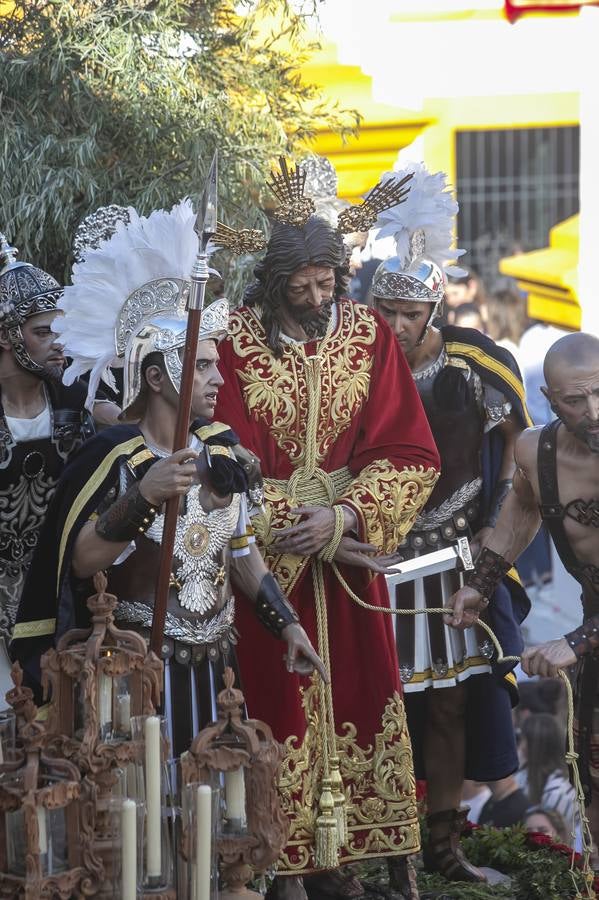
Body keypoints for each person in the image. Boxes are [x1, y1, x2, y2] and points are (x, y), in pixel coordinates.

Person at [10, 200, 325, 758]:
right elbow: (79, 561)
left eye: (213, 363)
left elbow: (243, 551)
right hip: (135, 670)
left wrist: (287, 624)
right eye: (200, 365)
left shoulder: (223, 448)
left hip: (216, 672)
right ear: (156, 376)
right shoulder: (111, 454)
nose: (216, 377)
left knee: (213, 819)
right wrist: (144, 496)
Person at [215, 160, 440, 900]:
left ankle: (344, 864)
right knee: (270, 705)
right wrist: (286, 519)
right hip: (262, 570)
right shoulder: (233, 341)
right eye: (300, 287)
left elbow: (409, 450)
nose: (317, 300)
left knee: (357, 697)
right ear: (273, 283)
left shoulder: (369, 334)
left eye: (327, 283)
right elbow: (218, 451)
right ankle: (275, 865)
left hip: (344, 566)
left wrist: (342, 514)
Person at [370, 162, 531, 885]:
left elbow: (517, 470)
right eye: (385, 313)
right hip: (372, 562)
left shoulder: (477, 363)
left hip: (454, 563)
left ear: (432, 311)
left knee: (447, 708)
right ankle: (379, 849)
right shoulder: (356, 371)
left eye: (409, 315)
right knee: (377, 710)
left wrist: (489, 557)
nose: (396, 327)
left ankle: (442, 847)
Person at [446, 331, 599, 849]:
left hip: (588, 635)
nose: (594, 410)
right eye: (576, 400)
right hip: (593, 621)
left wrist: (575, 642)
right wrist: (480, 585)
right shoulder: (540, 450)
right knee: (593, 782)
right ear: (550, 400)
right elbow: (517, 519)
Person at [0, 233, 119, 691]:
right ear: (7, 336)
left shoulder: (78, 397)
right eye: (43, 331)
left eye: (61, 331)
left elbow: (133, 427)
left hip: (63, 598)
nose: (58, 344)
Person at [515, 713, 577, 831]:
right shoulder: (522, 775)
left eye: (524, 739)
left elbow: (560, 836)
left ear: (535, 745)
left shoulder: (558, 791)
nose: (520, 745)